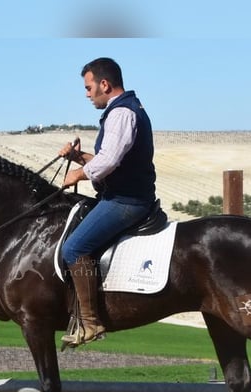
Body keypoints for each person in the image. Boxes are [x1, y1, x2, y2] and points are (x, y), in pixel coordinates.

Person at [58, 57, 157, 346]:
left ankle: (90, 322)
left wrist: (78, 173)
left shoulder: (121, 113)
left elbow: (109, 161)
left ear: (104, 84)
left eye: (89, 88)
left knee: (74, 248)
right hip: (123, 194)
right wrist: (79, 158)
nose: (87, 94)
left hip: (127, 200)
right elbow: (109, 161)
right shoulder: (123, 110)